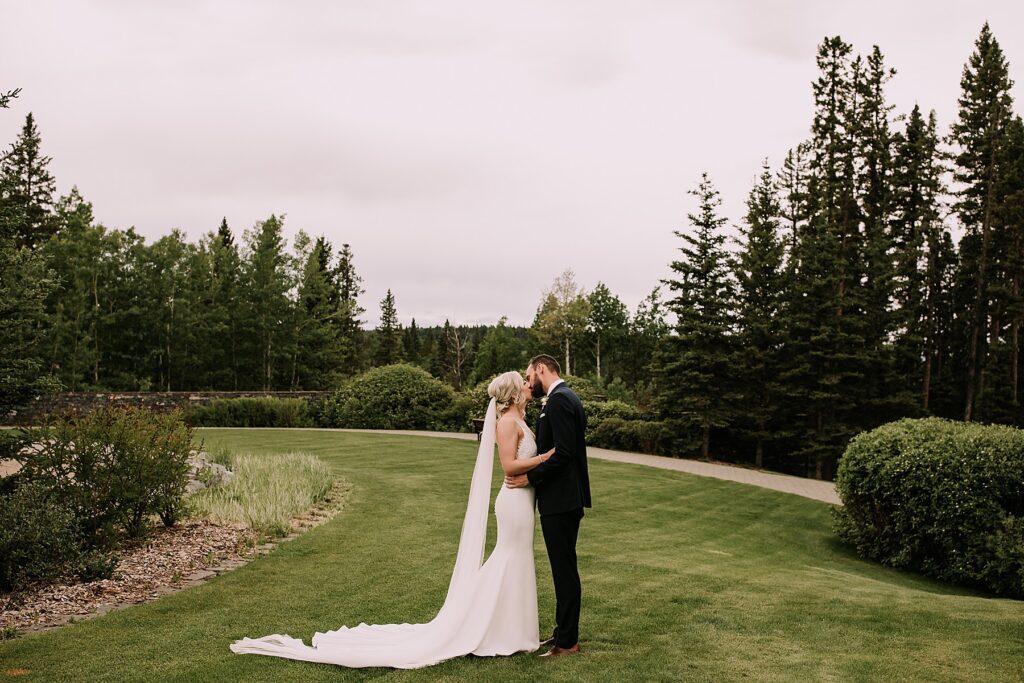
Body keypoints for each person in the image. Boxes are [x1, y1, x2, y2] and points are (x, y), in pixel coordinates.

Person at [228, 371, 553, 669]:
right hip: (513, 502)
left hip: (524, 500)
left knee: (518, 557)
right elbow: (510, 466)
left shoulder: (520, 419)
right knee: (509, 556)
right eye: (523, 382)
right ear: (513, 393)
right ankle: (486, 626)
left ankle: (514, 632)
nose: (529, 384)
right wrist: (548, 457)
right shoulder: (508, 424)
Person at [505, 354, 591, 657]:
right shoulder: (562, 398)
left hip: (562, 499)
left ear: (541, 369)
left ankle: (568, 642)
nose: (529, 383)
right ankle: (561, 633)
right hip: (562, 498)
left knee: (564, 570)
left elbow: (564, 452)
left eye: (530, 376)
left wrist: (531, 477)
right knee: (561, 569)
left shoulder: (560, 400)